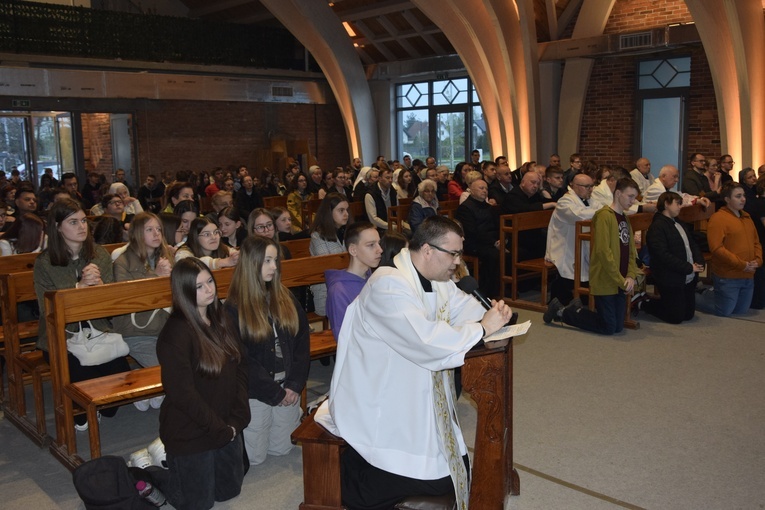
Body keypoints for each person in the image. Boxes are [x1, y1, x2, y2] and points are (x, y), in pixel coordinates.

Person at [315, 215, 513, 510]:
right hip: (380, 400)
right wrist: (483, 328)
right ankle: (338, 486)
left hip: (412, 392)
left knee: (455, 468)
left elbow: (463, 308)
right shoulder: (388, 285)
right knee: (428, 477)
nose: (457, 262)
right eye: (454, 253)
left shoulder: (437, 280)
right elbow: (427, 342)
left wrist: (492, 314)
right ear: (429, 250)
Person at [157, 258, 249, 510]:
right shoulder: (175, 334)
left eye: (210, 281)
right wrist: (219, 429)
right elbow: (182, 394)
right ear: (184, 291)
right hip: (191, 428)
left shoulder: (221, 317)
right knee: (197, 504)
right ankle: (152, 472)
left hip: (225, 421)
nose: (209, 290)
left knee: (229, 491)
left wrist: (237, 418)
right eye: (199, 287)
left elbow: (240, 366)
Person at [34, 198, 130, 430]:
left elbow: (109, 304)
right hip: (60, 337)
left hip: (98, 331)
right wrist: (78, 288)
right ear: (57, 227)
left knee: (118, 390)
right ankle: (81, 408)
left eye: (84, 221)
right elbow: (46, 309)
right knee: (82, 392)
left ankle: (94, 403)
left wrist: (99, 287)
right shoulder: (45, 263)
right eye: (73, 222)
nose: (81, 227)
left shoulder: (99, 255)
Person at [226, 236, 310, 466]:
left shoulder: (285, 297)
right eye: (267, 261)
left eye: (275, 260)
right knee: (255, 457)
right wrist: (274, 393)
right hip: (257, 389)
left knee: (283, 448)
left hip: (287, 384)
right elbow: (242, 359)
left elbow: (302, 343)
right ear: (251, 263)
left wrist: (294, 385)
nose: (274, 267)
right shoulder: (234, 307)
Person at [544, 178, 641, 335]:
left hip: (621, 280)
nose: (633, 200)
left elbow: (630, 250)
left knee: (618, 326)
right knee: (609, 327)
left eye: (634, 197)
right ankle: (563, 312)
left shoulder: (624, 218)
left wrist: (630, 275)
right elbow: (603, 252)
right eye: (630, 196)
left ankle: (575, 309)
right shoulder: (604, 216)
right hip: (607, 279)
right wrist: (620, 279)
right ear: (618, 193)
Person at [638, 192, 705, 323]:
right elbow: (662, 255)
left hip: (687, 275)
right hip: (670, 276)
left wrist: (699, 261)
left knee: (688, 314)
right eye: (677, 204)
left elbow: (692, 244)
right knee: (676, 317)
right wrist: (687, 267)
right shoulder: (657, 226)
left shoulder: (679, 223)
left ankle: (667, 303)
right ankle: (644, 303)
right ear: (667, 204)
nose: (680, 207)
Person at [702, 182, 762, 316]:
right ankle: (697, 295)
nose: (743, 199)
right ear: (727, 199)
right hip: (728, 275)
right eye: (738, 196)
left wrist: (758, 260)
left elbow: (756, 242)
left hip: (748, 274)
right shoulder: (718, 218)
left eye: (743, 195)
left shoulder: (746, 217)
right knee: (724, 310)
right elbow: (716, 248)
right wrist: (741, 264)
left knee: (741, 311)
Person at [545, 173, 598, 305]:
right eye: (587, 186)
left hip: (581, 245)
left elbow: (600, 208)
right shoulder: (565, 201)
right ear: (574, 186)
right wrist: (600, 212)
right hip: (564, 247)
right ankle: (557, 302)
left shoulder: (590, 199)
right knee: (569, 272)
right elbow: (579, 215)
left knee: (586, 270)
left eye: (592, 186)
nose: (591, 189)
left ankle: (582, 298)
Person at [308, 193, 349, 315]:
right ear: (329, 212)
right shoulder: (318, 236)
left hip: (346, 284)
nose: (346, 214)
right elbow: (329, 266)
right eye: (341, 210)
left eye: (347, 210)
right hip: (327, 289)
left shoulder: (349, 232)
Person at [175, 217, 239, 270]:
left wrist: (237, 256)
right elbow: (191, 265)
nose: (214, 237)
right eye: (207, 234)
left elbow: (236, 255)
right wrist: (224, 262)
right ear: (195, 237)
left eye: (216, 232)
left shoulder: (224, 248)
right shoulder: (183, 252)